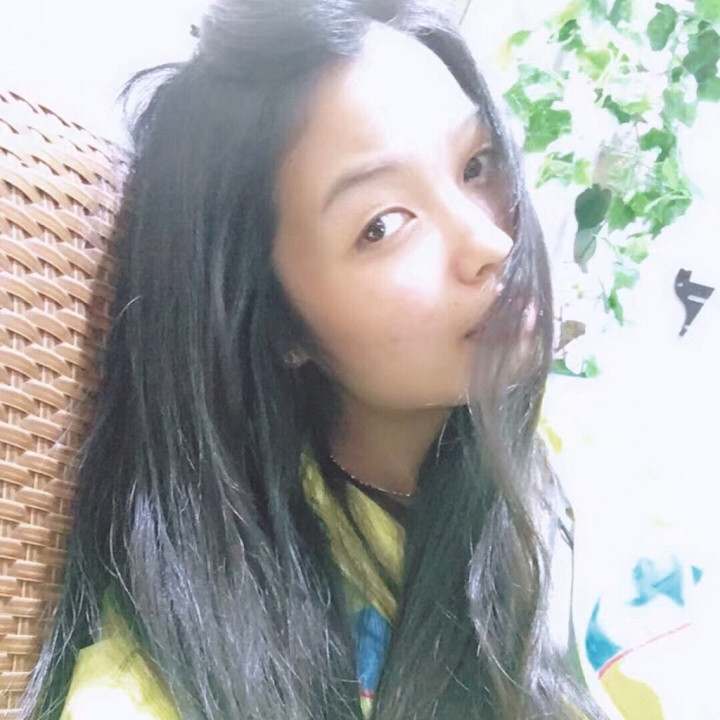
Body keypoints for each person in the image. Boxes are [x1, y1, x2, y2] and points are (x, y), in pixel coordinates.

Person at [21, 0, 608, 718]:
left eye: (476, 165)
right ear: (275, 322)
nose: (490, 243)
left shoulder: (572, 463)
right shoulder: (192, 670)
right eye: (382, 225)